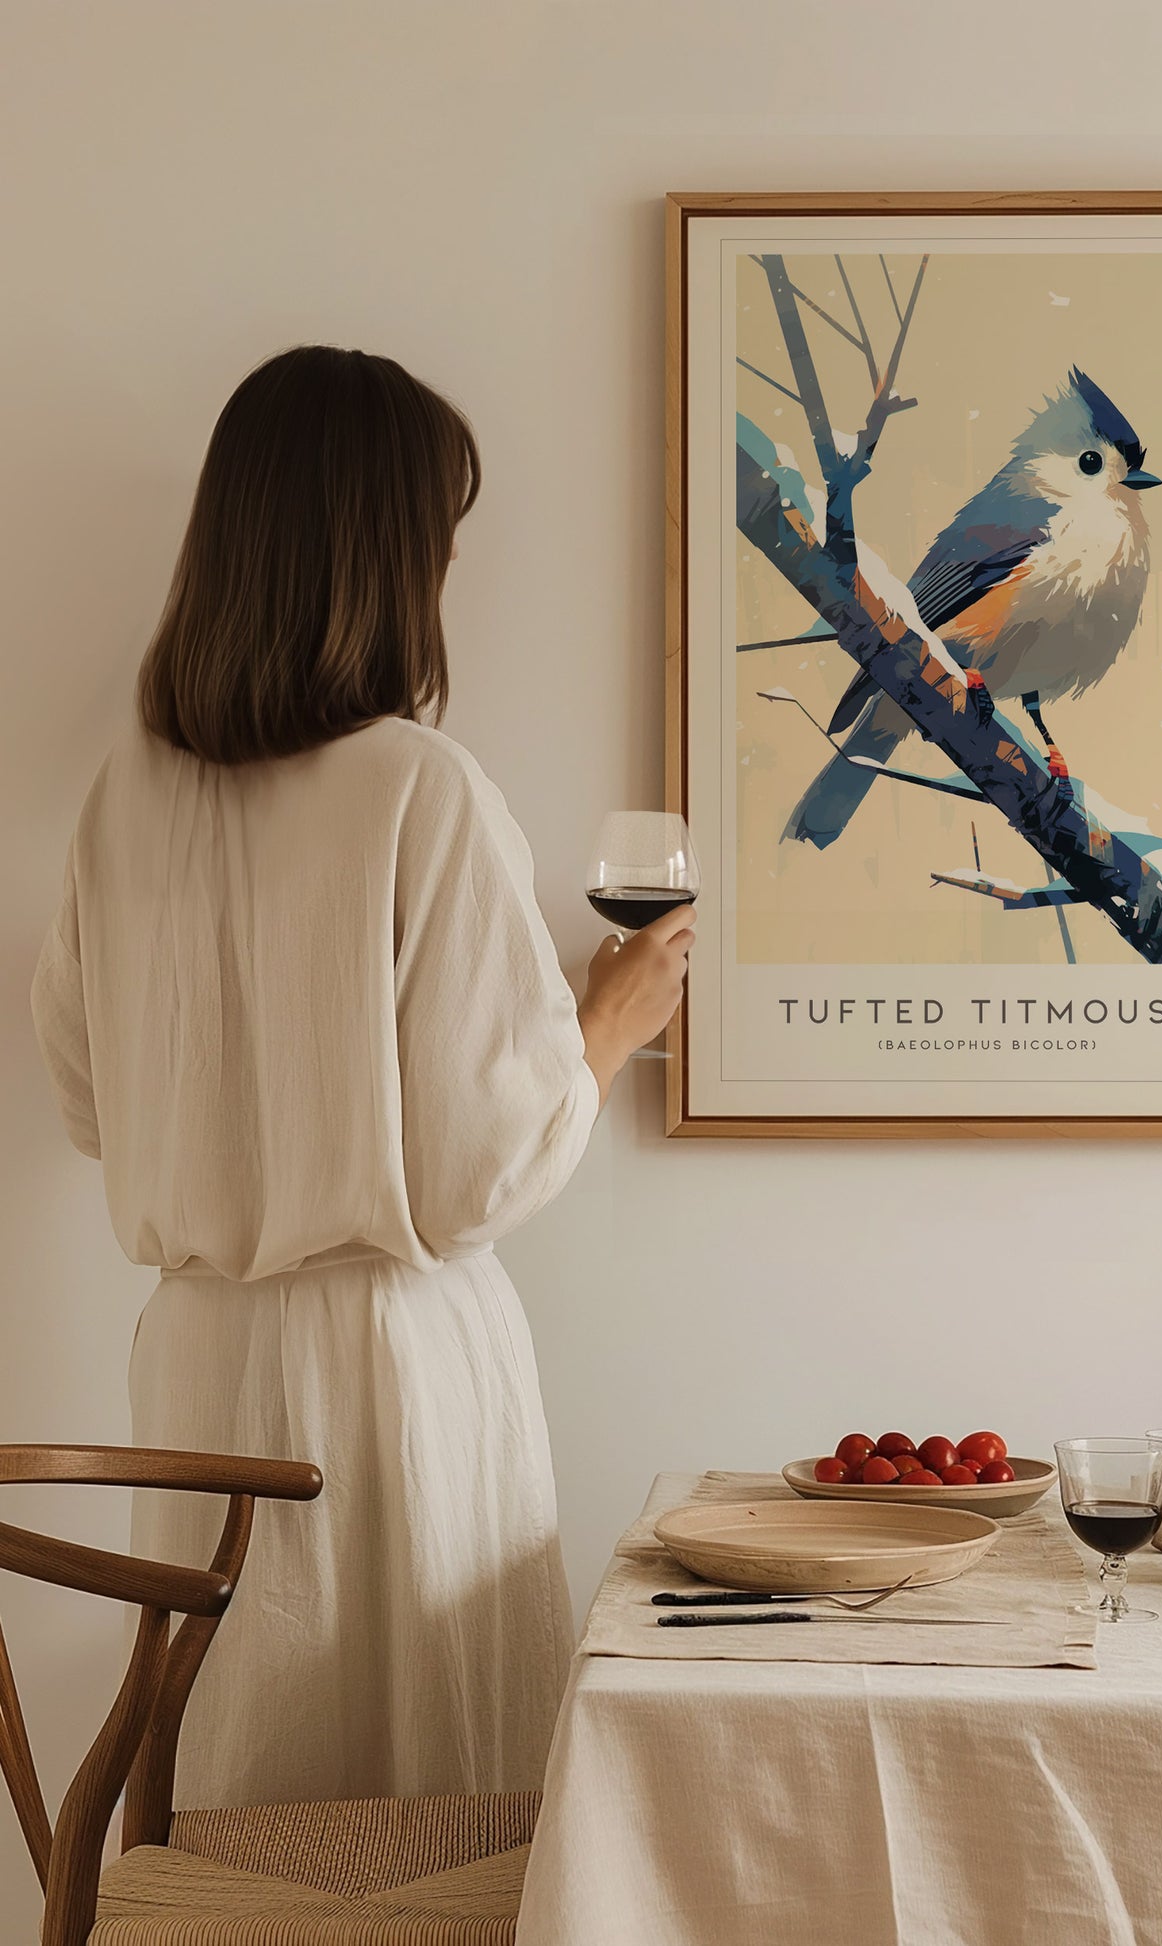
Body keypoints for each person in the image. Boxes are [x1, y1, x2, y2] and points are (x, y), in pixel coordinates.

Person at [29, 345, 689, 1806]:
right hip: (390, 1372)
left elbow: (87, 1101)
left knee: (240, 1791)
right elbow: (474, 1173)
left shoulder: (123, 798)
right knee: (422, 1811)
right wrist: (606, 1019)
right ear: (387, 556)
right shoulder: (417, 785)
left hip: (198, 1361)